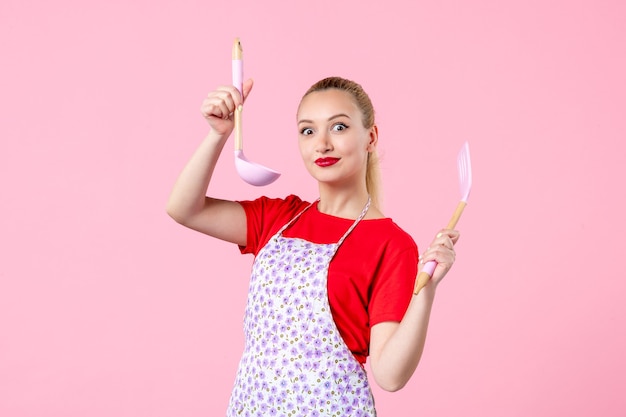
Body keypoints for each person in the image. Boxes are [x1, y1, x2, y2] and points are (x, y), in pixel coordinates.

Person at [166, 76, 459, 416]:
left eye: (338, 127)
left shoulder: (390, 245)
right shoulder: (277, 218)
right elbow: (184, 209)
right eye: (308, 131)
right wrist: (219, 134)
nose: (321, 144)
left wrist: (427, 290)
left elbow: (390, 375)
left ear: (371, 138)